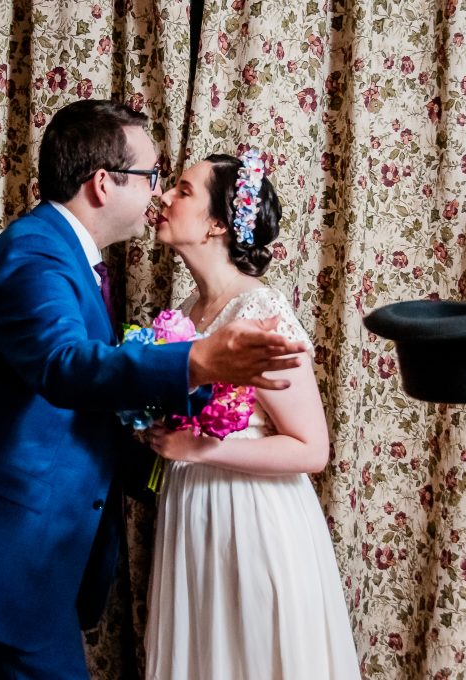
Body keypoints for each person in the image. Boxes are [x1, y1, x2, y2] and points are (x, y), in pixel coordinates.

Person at [0, 101, 307, 680]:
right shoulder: (36, 255)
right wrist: (199, 362)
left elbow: (88, 399)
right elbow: (63, 367)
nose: (158, 193)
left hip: (21, 557)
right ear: (104, 183)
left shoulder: (70, 260)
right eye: (152, 176)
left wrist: (175, 453)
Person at [145, 150, 361, 679]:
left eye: (183, 190)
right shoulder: (186, 311)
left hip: (251, 520)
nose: (164, 197)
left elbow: (311, 449)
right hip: (192, 514)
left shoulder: (262, 313)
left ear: (218, 223)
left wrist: (201, 448)